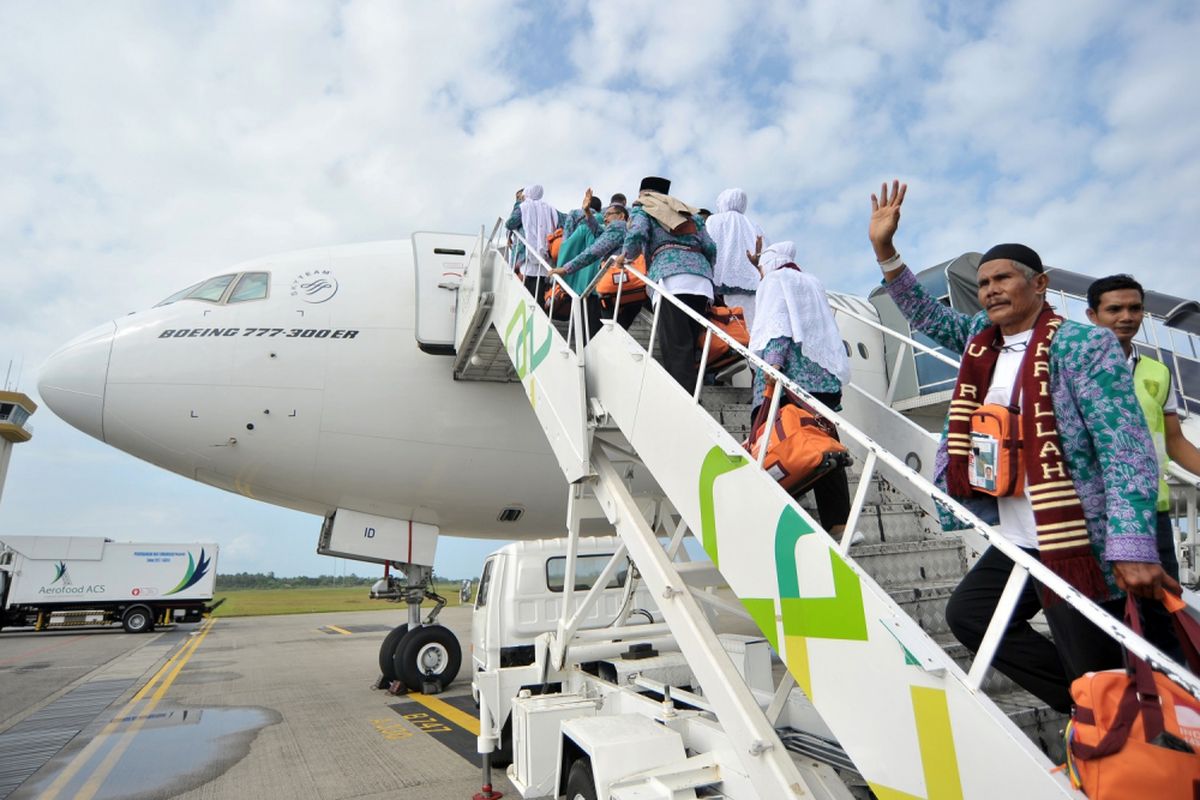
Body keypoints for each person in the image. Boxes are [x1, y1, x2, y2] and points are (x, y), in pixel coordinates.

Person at [870, 180, 1178, 714]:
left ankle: (1113, 732)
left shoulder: (1084, 344)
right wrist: (886, 253)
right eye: (984, 281)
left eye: (1003, 278)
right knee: (970, 616)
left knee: (1095, 662)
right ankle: (1091, 715)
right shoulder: (978, 340)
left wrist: (1131, 544)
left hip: (1071, 537)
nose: (990, 289)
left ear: (1040, 284)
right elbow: (923, 315)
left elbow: (1125, 449)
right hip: (1016, 535)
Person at [748, 241, 856, 543]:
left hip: (788, 380)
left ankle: (787, 521)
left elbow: (776, 325)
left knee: (779, 446)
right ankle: (839, 525)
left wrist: (773, 365)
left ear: (769, 264)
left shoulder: (774, 281)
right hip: (823, 380)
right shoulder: (811, 282)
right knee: (824, 447)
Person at [610, 176, 717, 390]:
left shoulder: (644, 208)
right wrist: (705, 270)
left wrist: (626, 256)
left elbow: (637, 233)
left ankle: (685, 404)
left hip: (671, 280)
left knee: (676, 347)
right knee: (693, 344)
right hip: (702, 282)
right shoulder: (688, 213)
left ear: (643, 193)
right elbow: (711, 247)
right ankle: (696, 394)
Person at [547, 201, 635, 336]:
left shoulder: (618, 227)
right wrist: (587, 211)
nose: (605, 218)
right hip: (624, 288)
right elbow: (598, 231)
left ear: (621, 216)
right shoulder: (625, 229)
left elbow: (593, 252)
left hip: (609, 287)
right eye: (604, 215)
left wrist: (565, 269)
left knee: (594, 332)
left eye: (609, 215)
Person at [706, 188, 768, 328]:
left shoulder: (714, 220)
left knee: (727, 323)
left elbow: (708, 245)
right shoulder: (754, 225)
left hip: (721, 281)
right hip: (753, 284)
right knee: (751, 323)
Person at [505, 185, 558, 297]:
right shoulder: (549, 209)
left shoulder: (523, 207)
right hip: (543, 256)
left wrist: (518, 203)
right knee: (538, 294)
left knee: (522, 292)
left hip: (525, 255)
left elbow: (510, 223)